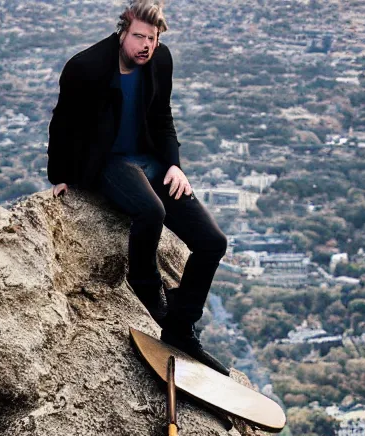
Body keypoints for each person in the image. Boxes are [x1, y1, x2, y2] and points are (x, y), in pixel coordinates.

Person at [47, 0, 229, 375]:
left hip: (151, 160)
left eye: (153, 37)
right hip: (108, 163)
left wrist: (175, 165)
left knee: (213, 242)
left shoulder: (161, 60)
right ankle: (149, 292)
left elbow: (162, 117)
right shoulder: (85, 68)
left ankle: (180, 326)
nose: (146, 45)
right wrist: (60, 177)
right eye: (139, 37)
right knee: (152, 212)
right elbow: (62, 124)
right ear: (122, 31)